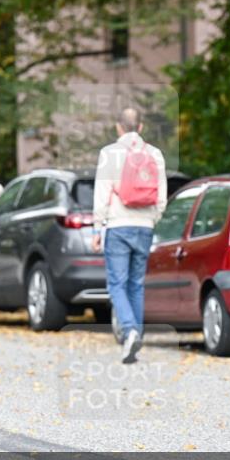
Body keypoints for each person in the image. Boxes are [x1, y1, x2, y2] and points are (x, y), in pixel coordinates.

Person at [91, 107, 167, 363]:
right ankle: (133, 339)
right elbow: (161, 196)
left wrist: (97, 227)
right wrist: (152, 219)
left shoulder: (109, 153)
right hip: (145, 226)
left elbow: (102, 194)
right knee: (136, 284)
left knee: (116, 284)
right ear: (141, 127)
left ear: (118, 127)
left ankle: (130, 330)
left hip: (118, 225)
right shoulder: (154, 154)